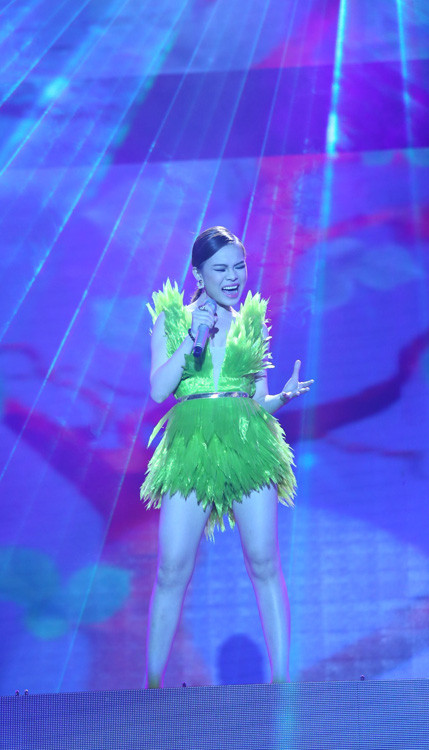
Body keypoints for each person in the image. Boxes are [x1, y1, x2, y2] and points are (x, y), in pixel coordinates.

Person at [141, 226, 312, 687]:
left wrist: (282, 397)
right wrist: (190, 340)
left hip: (247, 443)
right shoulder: (172, 319)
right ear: (198, 274)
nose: (233, 277)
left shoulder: (250, 322)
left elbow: (255, 402)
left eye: (239, 266)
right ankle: (152, 687)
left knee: (264, 560)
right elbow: (158, 390)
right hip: (191, 446)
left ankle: (281, 682)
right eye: (221, 269)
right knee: (172, 568)